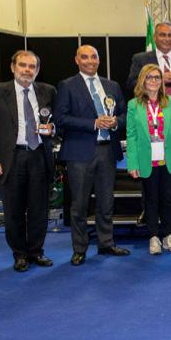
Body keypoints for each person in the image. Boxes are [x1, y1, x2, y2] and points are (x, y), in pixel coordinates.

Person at [0, 50, 56, 272]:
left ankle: (36, 251)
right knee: (13, 210)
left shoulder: (48, 91)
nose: (27, 70)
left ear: (37, 70)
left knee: (39, 209)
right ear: (13, 67)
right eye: (23, 65)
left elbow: (57, 121)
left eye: (32, 66)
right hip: (10, 158)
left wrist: (53, 128)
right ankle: (20, 254)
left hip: (39, 155)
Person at [54, 45, 130, 266]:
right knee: (79, 204)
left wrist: (116, 122)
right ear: (76, 60)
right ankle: (79, 249)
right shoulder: (67, 86)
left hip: (107, 151)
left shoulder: (112, 86)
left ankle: (106, 243)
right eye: (85, 57)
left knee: (106, 202)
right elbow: (60, 118)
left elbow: (125, 114)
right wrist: (93, 123)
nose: (90, 61)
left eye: (94, 57)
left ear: (99, 59)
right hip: (79, 153)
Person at [126, 64, 171, 255]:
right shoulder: (133, 105)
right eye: (149, 77)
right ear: (143, 80)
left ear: (162, 81)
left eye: (157, 77)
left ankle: (168, 235)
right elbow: (131, 136)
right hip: (147, 159)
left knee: (169, 198)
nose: (153, 81)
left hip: (168, 158)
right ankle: (153, 236)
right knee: (151, 199)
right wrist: (132, 163)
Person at [126, 21, 171, 94]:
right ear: (154, 37)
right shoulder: (140, 59)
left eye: (170, 35)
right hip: (150, 100)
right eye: (162, 35)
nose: (167, 39)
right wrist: (158, 79)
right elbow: (131, 84)